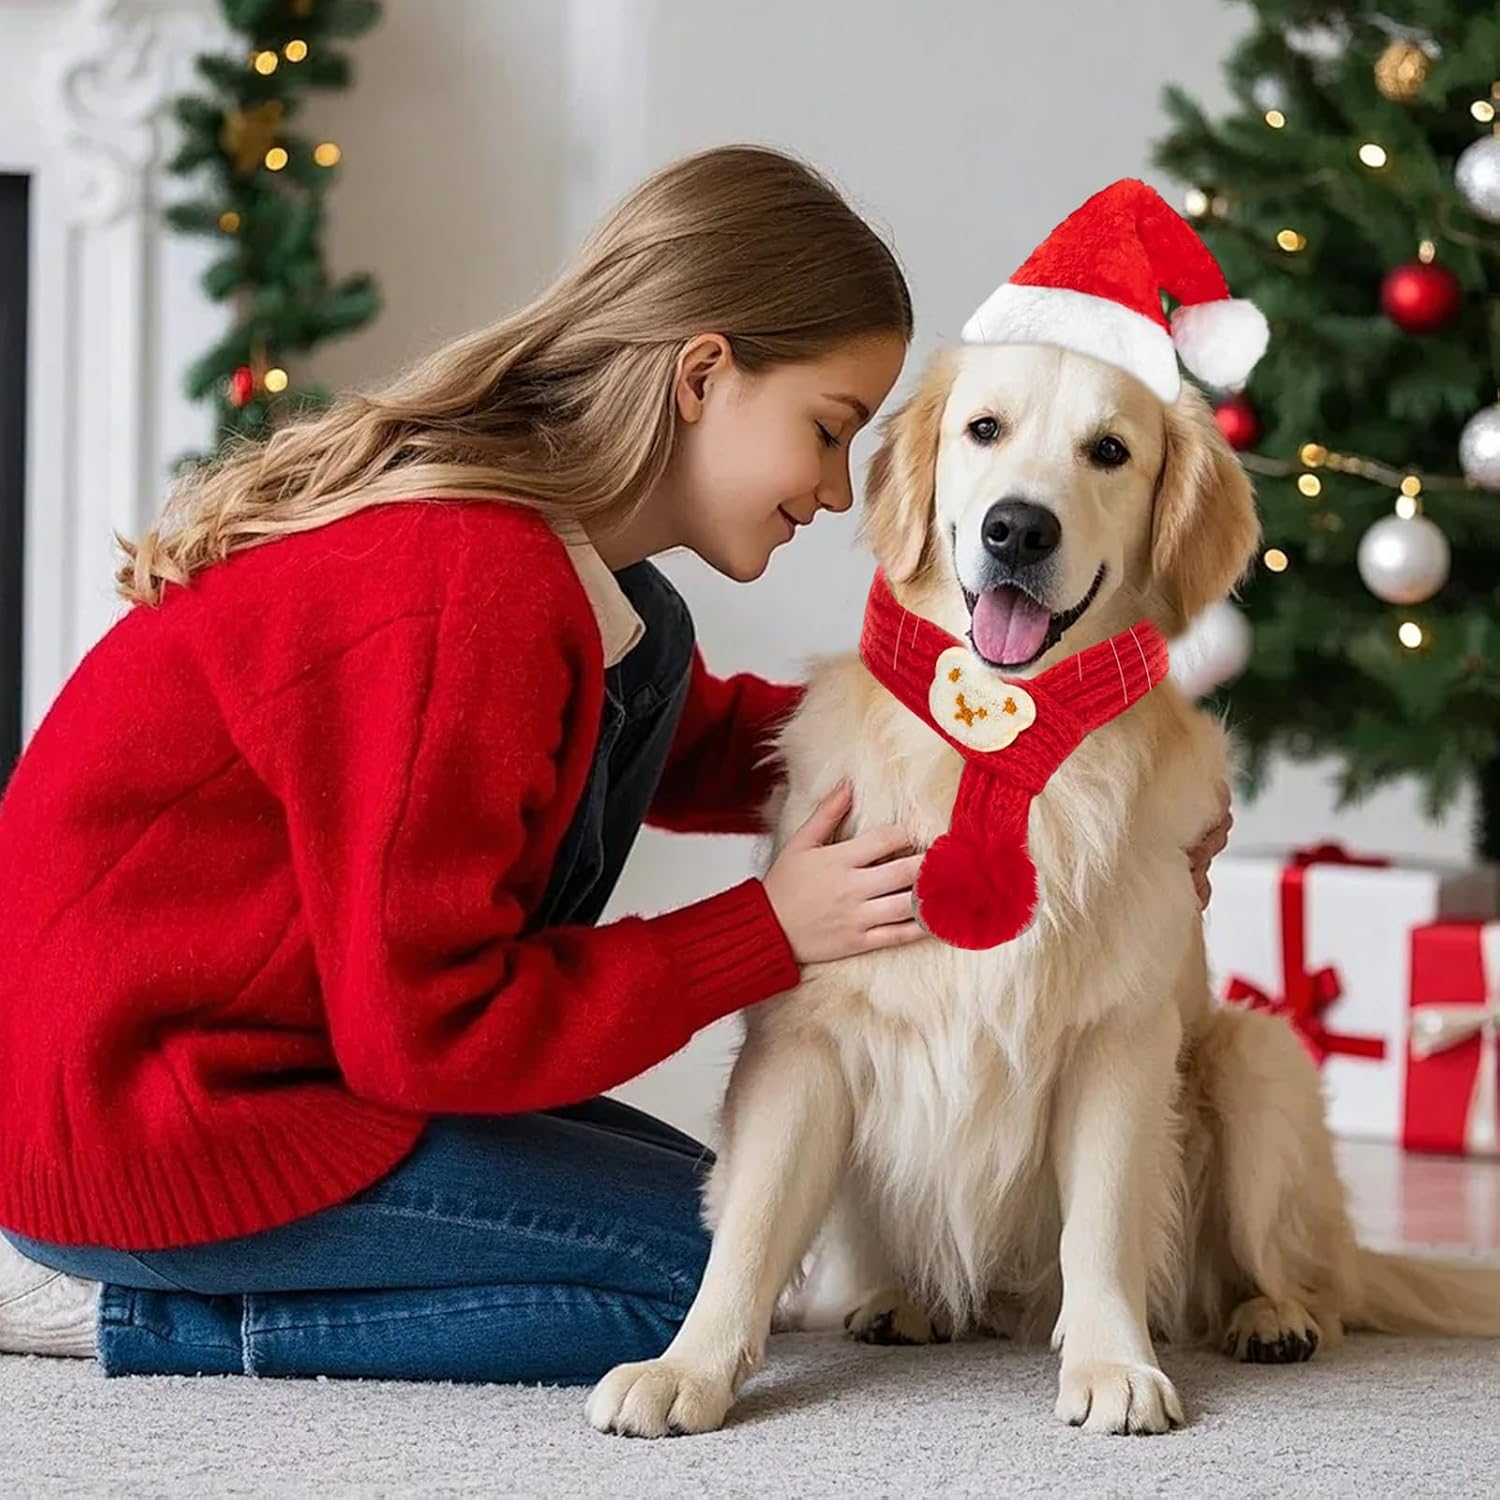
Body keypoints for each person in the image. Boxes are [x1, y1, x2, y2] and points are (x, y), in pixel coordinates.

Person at [0, 145, 1231, 1385]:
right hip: (147, 1122)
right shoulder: (465, 592)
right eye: (826, 428)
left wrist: (1034, 762)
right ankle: (111, 1313)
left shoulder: (590, 593)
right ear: (704, 375)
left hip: (273, 1065)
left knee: (728, 1205)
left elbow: (726, 744)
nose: (838, 488)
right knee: (687, 1275)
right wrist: (766, 928)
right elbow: (430, 1030)